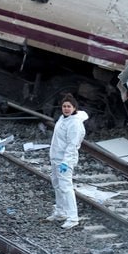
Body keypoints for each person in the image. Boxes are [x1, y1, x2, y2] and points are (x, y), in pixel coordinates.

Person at [48, 94, 88, 229]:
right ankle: (61, 211)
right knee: (57, 185)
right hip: (56, 158)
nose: (66, 109)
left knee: (66, 187)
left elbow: (72, 145)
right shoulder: (63, 118)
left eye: (69, 106)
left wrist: (66, 161)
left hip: (65, 160)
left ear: (74, 108)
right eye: (64, 106)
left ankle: (73, 217)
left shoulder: (75, 123)